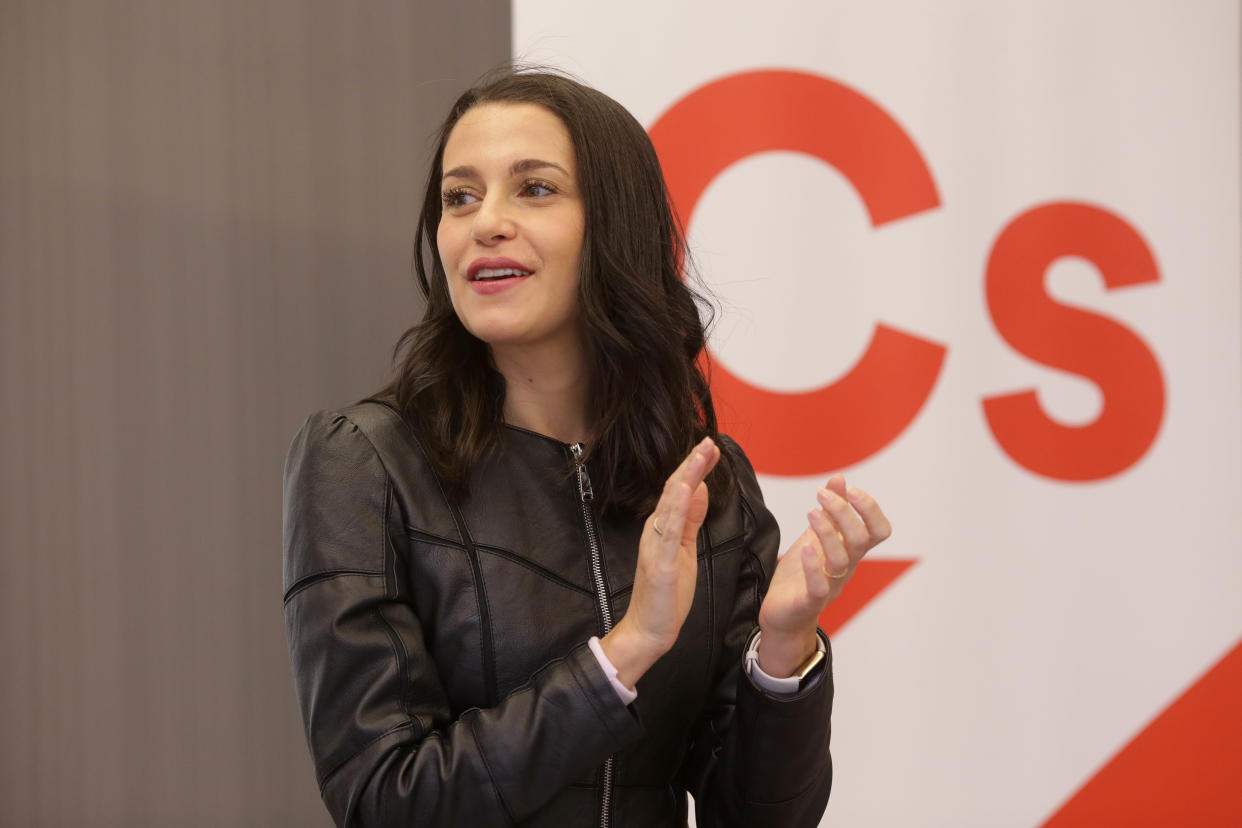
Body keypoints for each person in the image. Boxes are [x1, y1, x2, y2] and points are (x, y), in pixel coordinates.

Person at [282, 68, 891, 828]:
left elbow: (760, 816)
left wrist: (783, 646)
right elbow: (386, 801)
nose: (485, 222)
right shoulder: (366, 461)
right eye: (459, 196)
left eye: (533, 189)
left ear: (614, 225)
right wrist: (625, 652)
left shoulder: (707, 481)